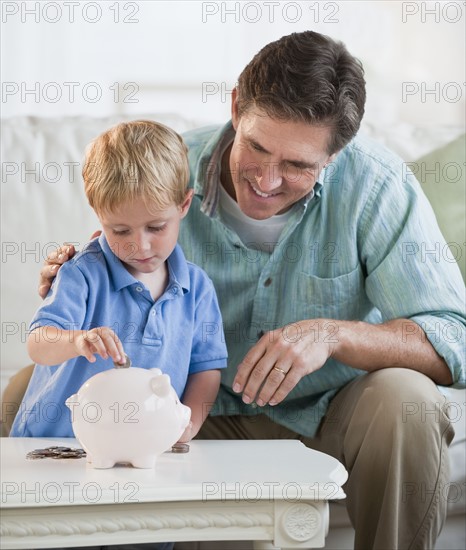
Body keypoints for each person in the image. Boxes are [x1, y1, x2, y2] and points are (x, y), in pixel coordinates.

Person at [37, 32, 465, 549]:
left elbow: (453, 337)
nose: (264, 180)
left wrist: (333, 335)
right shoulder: (168, 174)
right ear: (237, 106)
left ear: (336, 152)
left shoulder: (378, 188)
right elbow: (113, 260)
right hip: (188, 416)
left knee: (406, 399)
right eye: (257, 148)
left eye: (297, 166)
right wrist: (78, 281)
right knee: (27, 394)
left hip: (328, 413)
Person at [10, 120, 227, 446]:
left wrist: (189, 422)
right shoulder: (81, 273)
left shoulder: (197, 288)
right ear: (99, 215)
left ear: (183, 205)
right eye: (121, 231)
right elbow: (38, 343)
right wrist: (77, 341)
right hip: (55, 446)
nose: (139, 246)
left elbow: (205, 369)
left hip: (139, 448)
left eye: (156, 227)